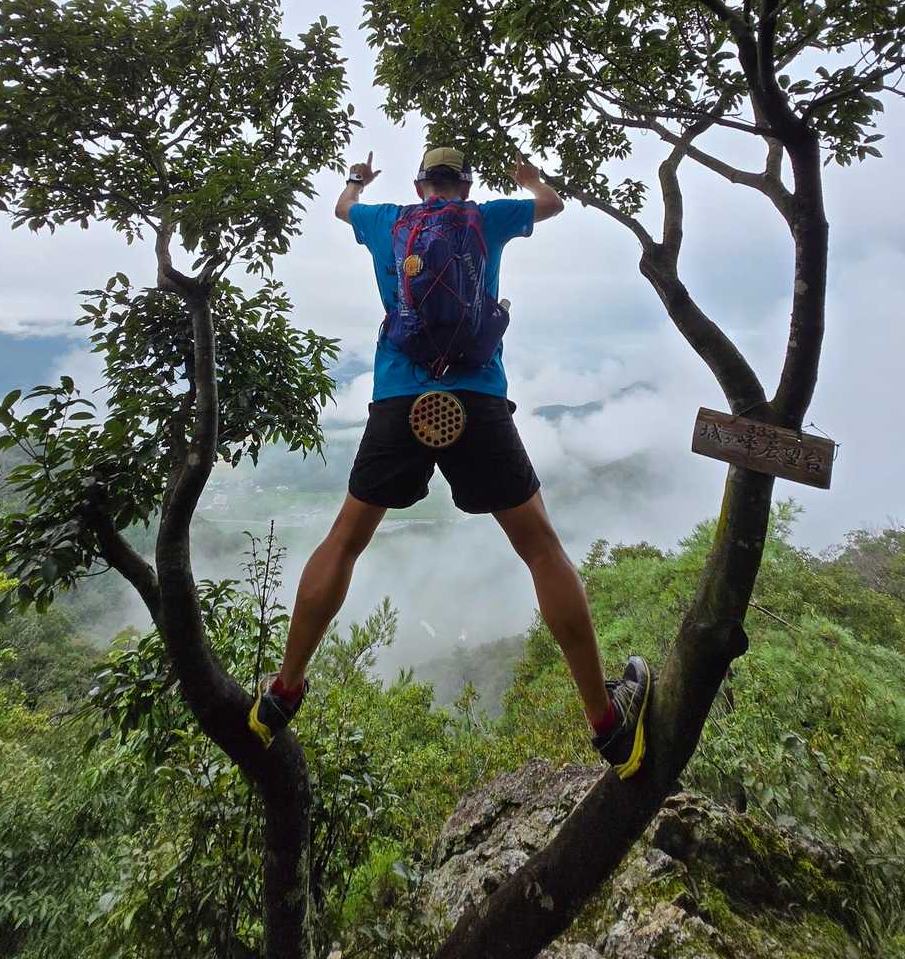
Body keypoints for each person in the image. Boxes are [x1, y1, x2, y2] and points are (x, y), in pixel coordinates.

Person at [248, 145, 651, 775]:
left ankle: (282, 692)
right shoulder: (487, 217)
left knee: (344, 543)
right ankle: (607, 724)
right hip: (478, 399)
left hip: (398, 401)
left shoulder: (384, 220)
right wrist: (529, 179)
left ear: (419, 185)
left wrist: (357, 180)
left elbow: (341, 207)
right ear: (464, 185)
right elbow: (552, 204)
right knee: (541, 550)